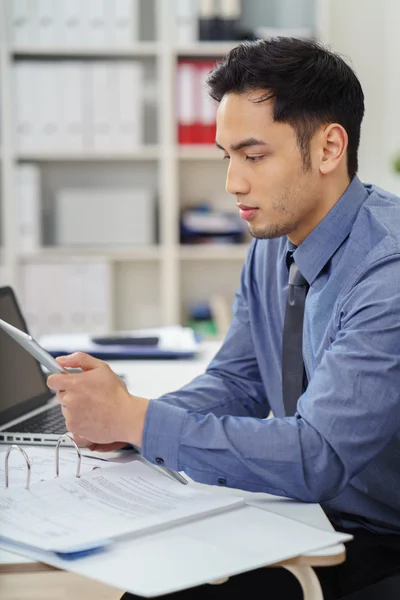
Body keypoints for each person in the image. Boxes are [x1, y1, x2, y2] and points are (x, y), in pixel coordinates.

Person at [47, 37, 400, 599]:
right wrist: (127, 422)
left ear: (330, 148)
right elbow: (240, 380)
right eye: (227, 156)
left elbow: (320, 456)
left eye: (254, 156)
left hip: (375, 536)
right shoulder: (273, 239)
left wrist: (139, 421)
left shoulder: (387, 271)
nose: (233, 183)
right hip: (299, 509)